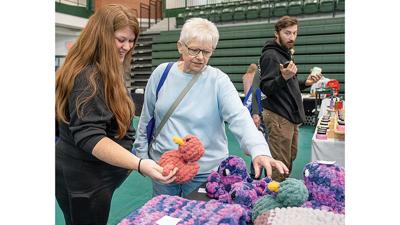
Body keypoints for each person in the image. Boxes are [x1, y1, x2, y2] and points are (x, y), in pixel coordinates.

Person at [133, 17, 289, 197]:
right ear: (180, 46)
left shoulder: (219, 81)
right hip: (164, 170)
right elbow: (147, 118)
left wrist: (259, 151)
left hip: (205, 175)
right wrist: (143, 157)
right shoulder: (161, 73)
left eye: (206, 52)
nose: (200, 58)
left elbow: (239, 118)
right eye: (194, 50)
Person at [55, 5, 177, 225]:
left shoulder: (88, 67)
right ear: (101, 36)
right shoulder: (90, 76)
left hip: (79, 174)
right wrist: (139, 163)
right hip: (86, 180)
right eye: (121, 40)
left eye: (131, 41)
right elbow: (90, 137)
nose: (127, 47)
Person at [258, 16, 322, 181]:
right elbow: (266, 88)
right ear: (277, 34)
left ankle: (282, 191)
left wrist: (306, 82)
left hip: (289, 116)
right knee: (280, 163)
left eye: (294, 33)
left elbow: (288, 86)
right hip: (279, 115)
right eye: (287, 33)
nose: (292, 37)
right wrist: (284, 78)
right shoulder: (271, 56)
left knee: (289, 157)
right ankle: (273, 199)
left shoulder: (285, 54)